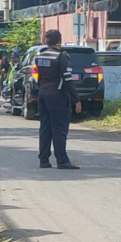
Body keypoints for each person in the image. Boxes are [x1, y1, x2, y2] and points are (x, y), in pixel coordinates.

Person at [36, 30, 81, 170]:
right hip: (58, 96)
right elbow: (68, 80)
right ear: (59, 41)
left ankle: (43, 160)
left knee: (45, 128)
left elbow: (37, 78)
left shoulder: (40, 57)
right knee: (59, 128)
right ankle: (61, 160)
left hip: (43, 94)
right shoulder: (60, 57)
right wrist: (76, 100)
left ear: (46, 41)